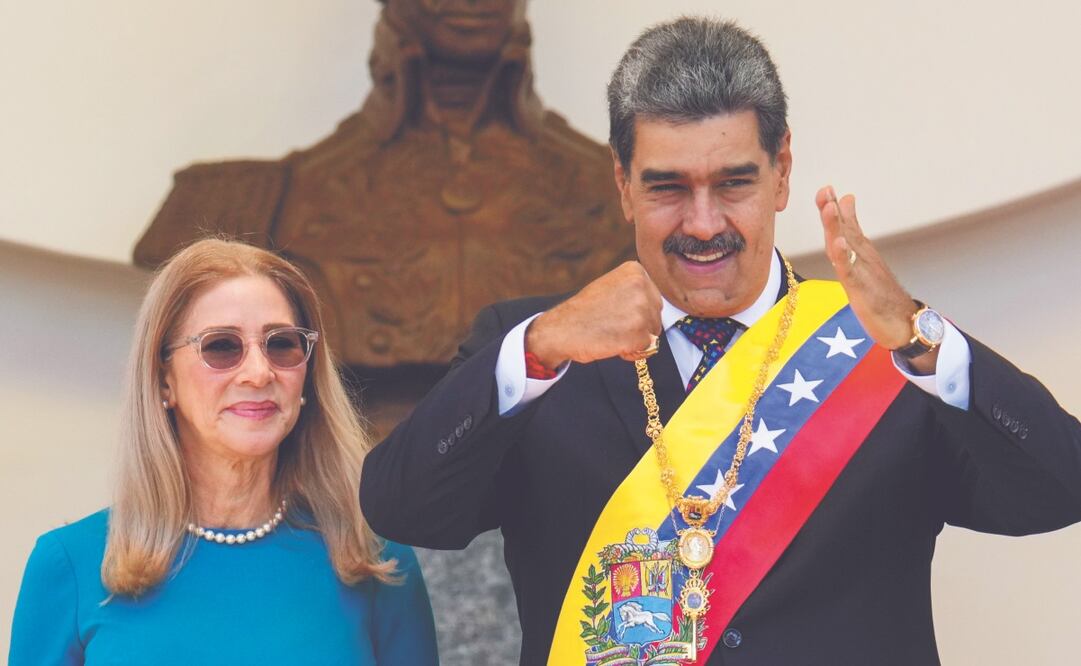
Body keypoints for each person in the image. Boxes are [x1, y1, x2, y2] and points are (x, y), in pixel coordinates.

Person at [359, 16, 1081, 666]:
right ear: (620, 183)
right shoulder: (542, 351)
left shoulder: (883, 348)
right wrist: (538, 348)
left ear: (782, 172)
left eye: (733, 182)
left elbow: (1058, 488)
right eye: (667, 187)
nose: (703, 225)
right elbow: (402, 508)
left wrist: (925, 343)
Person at [10, 239, 438, 665]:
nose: (258, 371)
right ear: (164, 380)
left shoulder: (377, 562)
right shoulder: (69, 566)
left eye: (281, 344)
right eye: (221, 346)